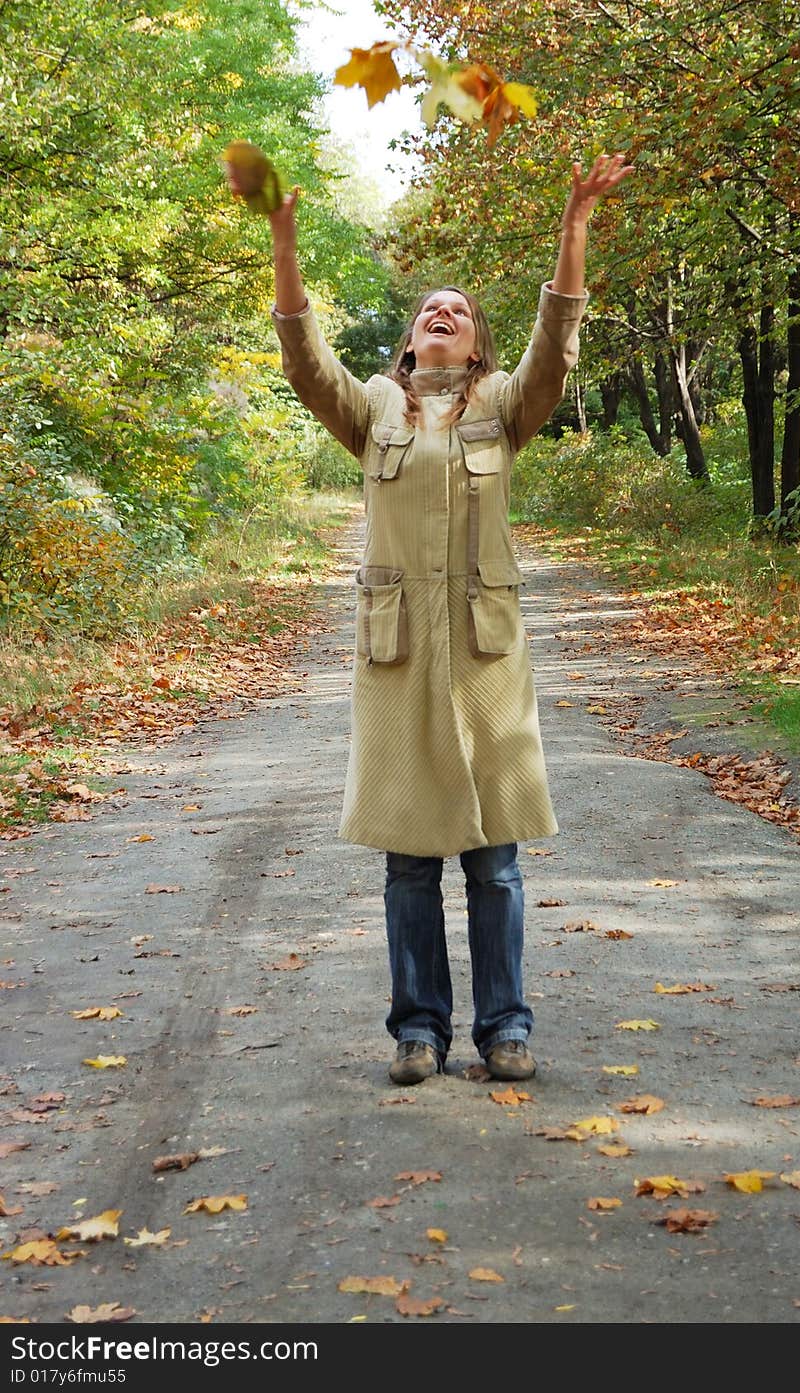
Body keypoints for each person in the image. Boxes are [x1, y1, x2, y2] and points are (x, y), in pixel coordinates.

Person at [235, 152, 633, 1085]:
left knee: (494, 862)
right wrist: (283, 242)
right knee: (410, 863)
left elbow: (558, 349)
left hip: (489, 663)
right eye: (426, 311)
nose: (440, 313)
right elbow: (304, 359)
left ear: (477, 343)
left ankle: (506, 1028)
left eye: (457, 309)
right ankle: (419, 1030)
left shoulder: (504, 403)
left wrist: (575, 224)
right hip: (398, 659)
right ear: (409, 347)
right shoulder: (374, 408)